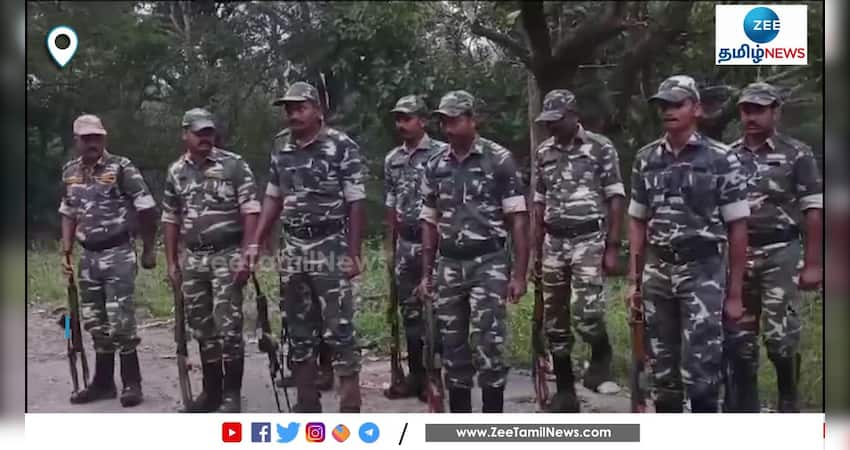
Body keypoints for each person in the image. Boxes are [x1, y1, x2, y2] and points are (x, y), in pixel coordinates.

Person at [626, 75, 748, 413]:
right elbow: (637, 219)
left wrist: (735, 293)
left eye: (677, 104)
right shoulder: (646, 158)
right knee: (661, 368)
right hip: (659, 270)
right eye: (663, 105)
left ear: (696, 108)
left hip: (703, 271)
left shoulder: (721, 158)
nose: (668, 111)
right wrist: (634, 280)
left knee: (702, 369)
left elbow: (738, 227)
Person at [246, 82, 366, 413]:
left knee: (339, 327)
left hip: (330, 245)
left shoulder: (340, 145)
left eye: (300, 108)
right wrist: (256, 240)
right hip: (294, 246)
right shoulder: (281, 146)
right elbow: (273, 196)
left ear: (317, 110)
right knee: (297, 327)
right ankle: (306, 402)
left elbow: (356, 202)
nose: (293, 115)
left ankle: (349, 407)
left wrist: (354, 253)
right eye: (289, 109)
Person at [418, 90, 530, 413]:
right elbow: (429, 220)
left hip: (488, 263)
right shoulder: (435, 164)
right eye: (443, 122)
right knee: (451, 346)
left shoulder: (499, 159)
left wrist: (519, 275)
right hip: (449, 264)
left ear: (472, 120)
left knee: (489, 344)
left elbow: (518, 219)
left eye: (454, 120)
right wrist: (427, 273)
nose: (448, 128)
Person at [724, 82, 823, 412]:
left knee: (780, 338)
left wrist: (813, 263)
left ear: (775, 112)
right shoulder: (727, 155)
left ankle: (787, 395)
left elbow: (813, 209)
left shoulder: (797, 153)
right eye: (746, 110)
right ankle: (743, 404)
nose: (751, 117)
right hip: (739, 254)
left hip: (781, 251)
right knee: (739, 336)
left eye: (759, 110)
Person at [531, 89, 625, 411]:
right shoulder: (543, 152)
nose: (551, 127)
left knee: (587, 311)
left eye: (557, 120)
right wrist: (536, 251)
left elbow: (615, 197)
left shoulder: (600, 147)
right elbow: (539, 202)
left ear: (574, 116)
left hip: (589, 238)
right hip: (554, 242)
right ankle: (565, 390)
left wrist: (613, 246)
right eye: (547, 122)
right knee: (554, 318)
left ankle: (600, 357)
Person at [161, 108, 260, 412]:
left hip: (227, 255)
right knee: (201, 326)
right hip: (193, 259)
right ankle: (211, 392)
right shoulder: (176, 171)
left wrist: (248, 253)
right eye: (199, 133)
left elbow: (251, 210)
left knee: (228, 326)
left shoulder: (233, 165)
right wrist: (171, 262)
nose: (205, 138)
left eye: (209, 133)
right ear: (185, 134)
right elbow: (171, 217)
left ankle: (231, 395)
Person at [59, 114, 158, 407]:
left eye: (97, 138)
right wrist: (66, 251)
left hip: (118, 254)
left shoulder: (121, 168)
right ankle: (103, 383)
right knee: (94, 321)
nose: (92, 143)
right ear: (76, 140)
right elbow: (68, 211)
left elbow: (147, 208)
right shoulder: (70, 171)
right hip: (87, 256)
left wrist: (149, 248)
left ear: (104, 138)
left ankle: (132, 383)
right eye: (86, 138)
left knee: (121, 321)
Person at [383, 95, 447, 400]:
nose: (401, 124)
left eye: (407, 118)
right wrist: (390, 245)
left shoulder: (440, 154)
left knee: (434, 311)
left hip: (434, 241)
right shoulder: (393, 159)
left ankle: (436, 377)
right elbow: (391, 203)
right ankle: (416, 375)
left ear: (423, 121)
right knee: (408, 311)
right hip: (405, 242)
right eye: (398, 119)